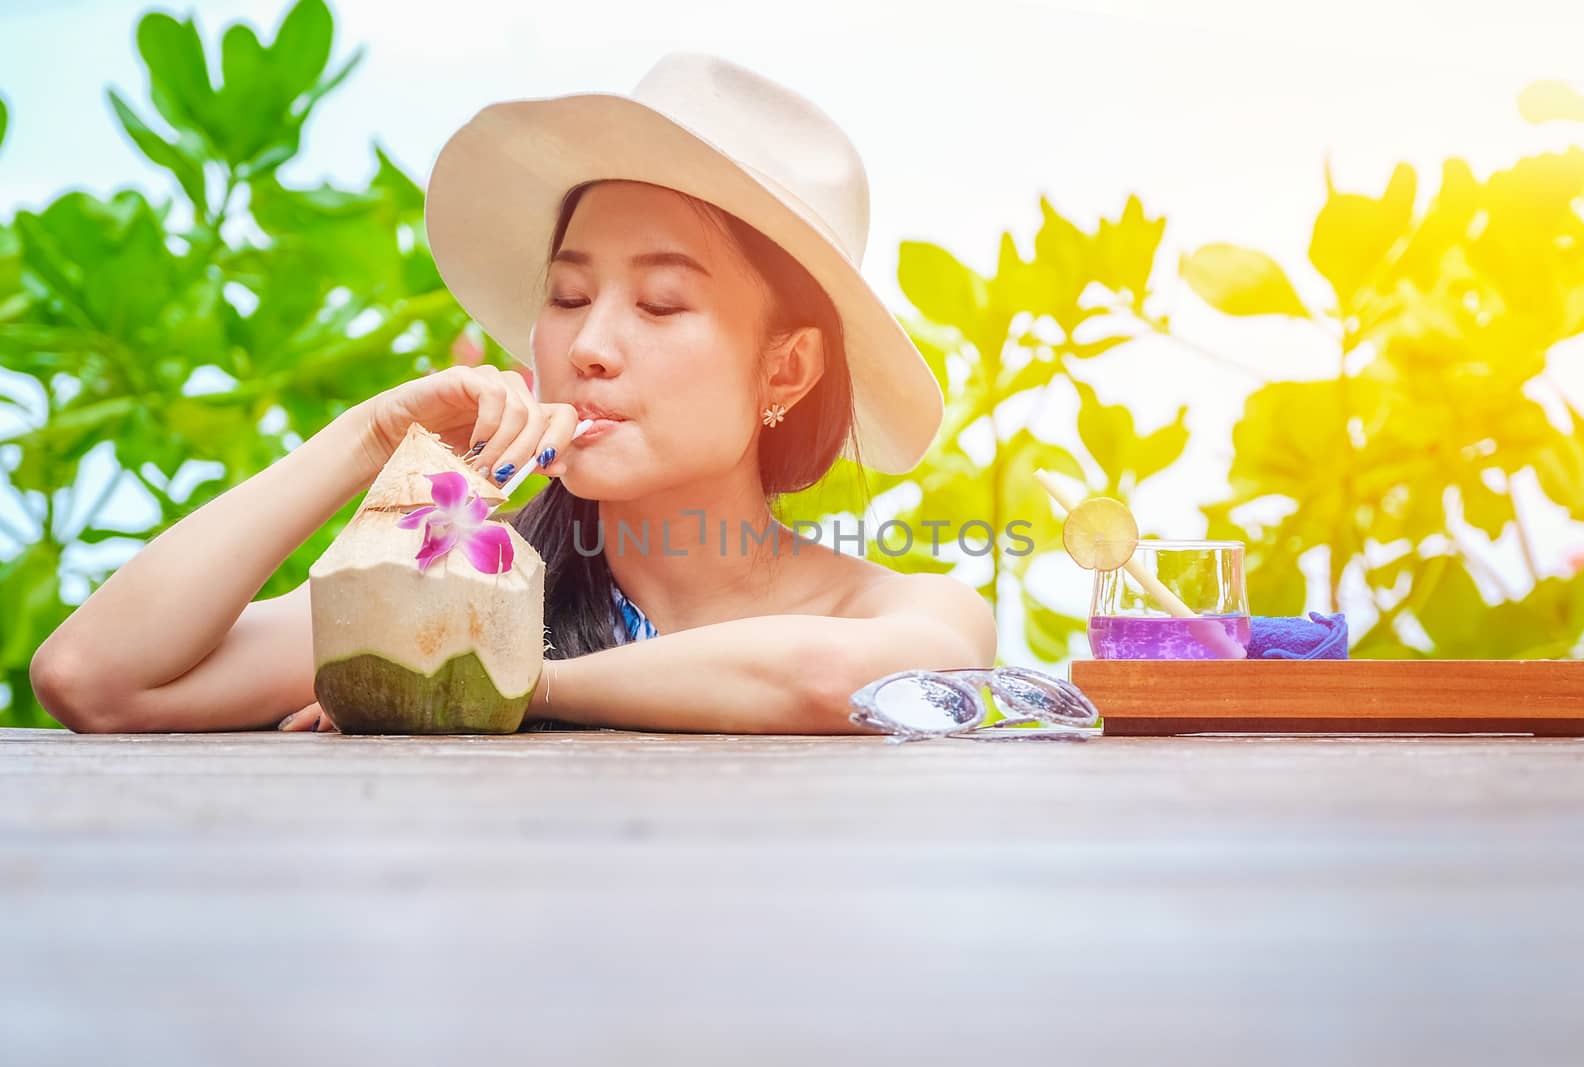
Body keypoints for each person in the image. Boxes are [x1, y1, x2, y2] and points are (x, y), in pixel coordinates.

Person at [29, 52, 997, 735]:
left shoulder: (896, 602)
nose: (590, 345)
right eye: (568, 295)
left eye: (660, 304)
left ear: (783, 367)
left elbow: (840, 682)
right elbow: (93, 677)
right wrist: (369, 438)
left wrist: (515, 686)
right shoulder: (460, 583)